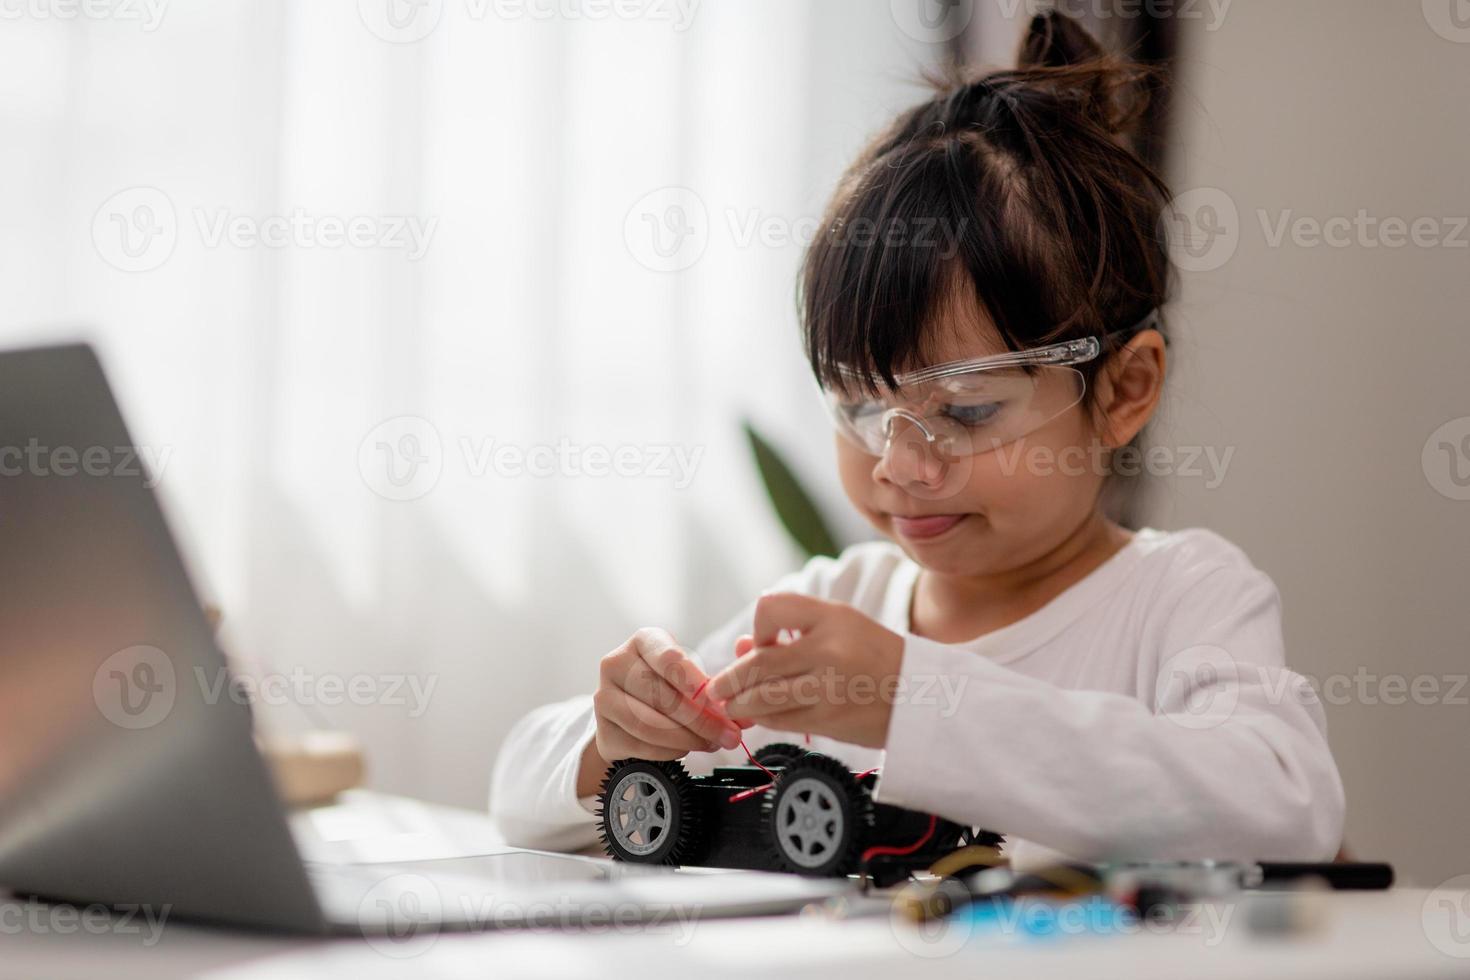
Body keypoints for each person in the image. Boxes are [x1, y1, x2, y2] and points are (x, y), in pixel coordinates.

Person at [488, 11, 1344, 869]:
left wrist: (915, 700)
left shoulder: (1178, 599)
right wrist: (617, 733)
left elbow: (1284, 806)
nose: (899, 466)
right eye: (861, 408)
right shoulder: (841, 603)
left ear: (1123, 390)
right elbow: (517, 792)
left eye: (968, 410)